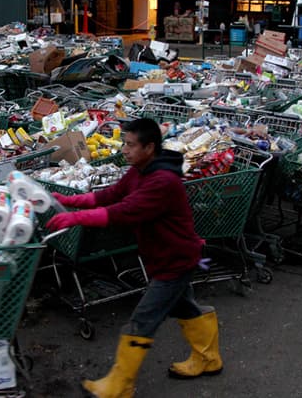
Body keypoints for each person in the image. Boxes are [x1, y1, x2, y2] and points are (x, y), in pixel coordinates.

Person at [46, 117, 222, 398]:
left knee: (142, 320)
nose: (124, 150)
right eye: (123, 143)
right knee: (183, 307)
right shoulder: (139, 170)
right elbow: (110, 195)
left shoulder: (161, 181)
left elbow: (120, 212)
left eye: (130, 145)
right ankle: (208, 358)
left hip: (174, 261)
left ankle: (120, 385)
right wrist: (68, 200)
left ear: (150, 147)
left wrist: (74, 218)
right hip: (166, 256)